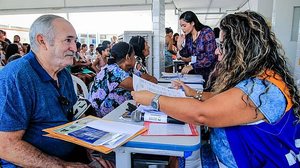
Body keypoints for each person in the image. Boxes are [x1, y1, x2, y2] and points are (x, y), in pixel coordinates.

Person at [132, 11, 300, 167]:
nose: (217, 52)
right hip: (229, 155)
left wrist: (153, 99)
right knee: (177, 157)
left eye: (223, 46)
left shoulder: (260, 90)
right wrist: (193, 93)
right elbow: (224, 100)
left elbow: (202, 114)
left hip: (235, 162)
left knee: (178, 159)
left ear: (241, 50)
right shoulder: (262, 78)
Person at [0, 14, 113, 168]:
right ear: (42, 41)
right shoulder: (16, 77)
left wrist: (92, 150)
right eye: (68, 40)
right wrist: (63, 166)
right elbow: (6, 146)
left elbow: (73, 118)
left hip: (68, 155)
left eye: (74, 41)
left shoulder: (63, 73)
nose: (74, 47)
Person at [89, 42, 156, 118]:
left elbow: (153, 80)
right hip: (101, 118)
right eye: (133, 56)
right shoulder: (114, 71)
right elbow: (142, 87)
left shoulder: (129, 70)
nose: (135, 58)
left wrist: (148, 83)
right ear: (127, 57)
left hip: (119, 113)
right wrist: (147, 84)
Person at [177, 11, 217, 88]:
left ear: (192, 23)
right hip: (197, 73)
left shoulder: (206, 32)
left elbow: (210, 57)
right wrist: (179, 44)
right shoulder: (189, 36)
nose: (182, 28)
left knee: (207, 95)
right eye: (181, 26)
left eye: (184, 26)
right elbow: (187, 53)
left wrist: (192, 66)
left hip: (209, 73)